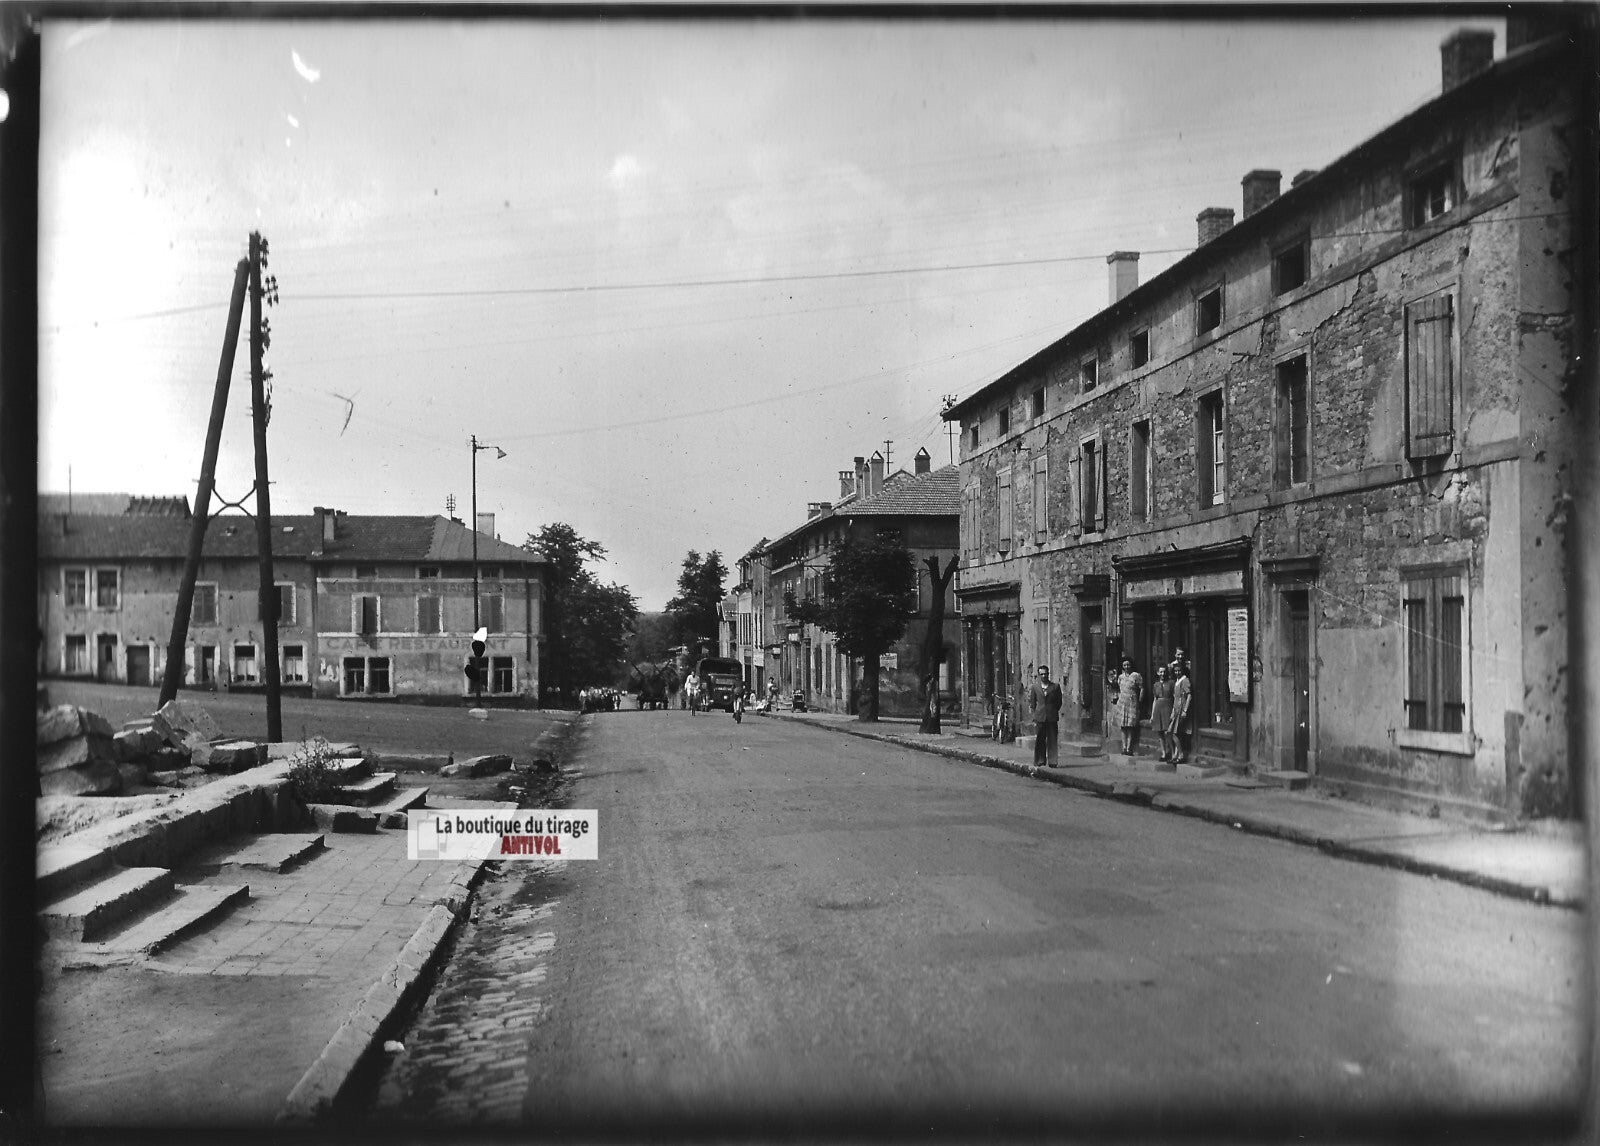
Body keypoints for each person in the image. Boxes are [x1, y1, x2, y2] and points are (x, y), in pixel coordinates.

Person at [1027, 665, 1063, 768]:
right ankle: (1040, 760)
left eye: (1046, 674)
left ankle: (1053, 761)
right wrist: (1035, 714)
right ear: (1039, 675)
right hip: (1040, 716)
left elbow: (1059, 702)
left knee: (1052, 739)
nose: (1044, 676)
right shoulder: (1035, 687)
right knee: (1040, 739)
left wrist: (1053, 710)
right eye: (1041, 674)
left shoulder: (1055, 687)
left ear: (1048, 674)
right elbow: (1033, 703)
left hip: (1052, 716)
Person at [1115, 656, 1144, 754]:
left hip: (1132, 702)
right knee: (1123, 726)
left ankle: (1129, 747)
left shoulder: (1136, 675)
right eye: (1124, 665)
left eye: (1128, 665)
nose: (1126, 667)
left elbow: (1142, 688)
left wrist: (1140, 700)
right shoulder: (1120, 677)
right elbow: (1119, 689)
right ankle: (1123, 747)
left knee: (1130, 725)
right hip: (1122, 702)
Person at [1151, 664, 1176, 763]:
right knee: (1160, 732)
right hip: (1158, 708)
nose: (1163, 673)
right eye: (1161, 672)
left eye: (1164, 671)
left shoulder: (1171, 683)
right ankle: (1163, 753)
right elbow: (1155, 699)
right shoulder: (1156, 685)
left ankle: (1172, 752)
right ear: (1158, 673)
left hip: (1168, 707)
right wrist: (1152, 714)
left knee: (1168, 732)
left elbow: (1174, 697)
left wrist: (1173, 710)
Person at [1169, 662, 1193, 764]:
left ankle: (1181, 754)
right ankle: (1176, 755)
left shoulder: (1185, 680)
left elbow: (1189, 696)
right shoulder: (1177, 681)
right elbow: (1175, 697)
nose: (1177, 672)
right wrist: (1172, 711)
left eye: (1179, 671)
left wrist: (1185, 710)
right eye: (1175, 671)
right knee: (1174, 732)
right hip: (1176, 709)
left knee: (1174, 733)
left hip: (1181, 708)